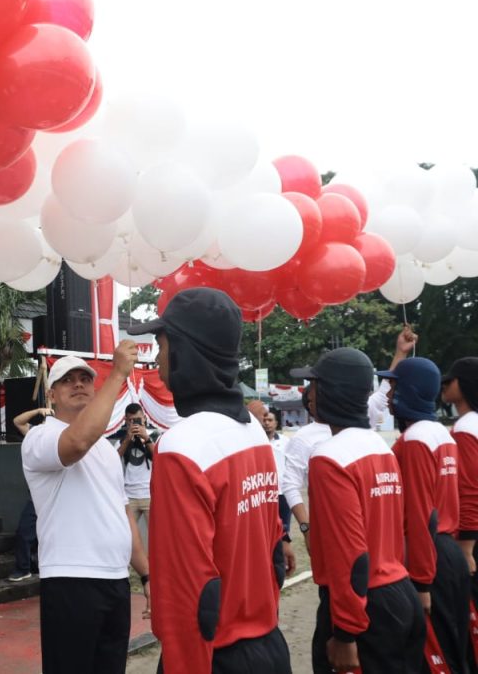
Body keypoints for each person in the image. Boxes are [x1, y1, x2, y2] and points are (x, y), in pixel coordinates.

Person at [129, 287, 291, 674]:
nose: (157, 358)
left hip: (213, 655)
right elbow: (273, 550)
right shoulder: (253, 431)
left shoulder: (181, 447)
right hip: (268, 644)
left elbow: (186, 590)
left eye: (161, 345)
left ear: (185, 352)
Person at [292, 348, 425, 673]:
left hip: (365, 608)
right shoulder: (381, 448)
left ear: (330, 392)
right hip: (399, 591)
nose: (309, 395)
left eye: (314, 385)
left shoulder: (329, 457)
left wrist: (346, 632)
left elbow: (349, 554)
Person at [22, 344, 150, 674]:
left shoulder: (107, 450)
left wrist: (146, 574)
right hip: (70, 580)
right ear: (51, 395)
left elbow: (123, 514)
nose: (78, 384)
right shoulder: (40, 438)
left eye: (85, 378)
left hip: (116, 579)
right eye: (67, 380)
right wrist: (118, 374)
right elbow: (76, 443)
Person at [380, 353, 470, 674]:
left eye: (394, 387)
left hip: (429, 556)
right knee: (457, 648)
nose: (389, 396)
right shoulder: (442, 434)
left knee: (437, 655)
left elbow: (420, 515)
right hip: (447, 551)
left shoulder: (415, 440)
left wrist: (421, 582)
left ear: (410, 391)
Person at [442, 357, 478, 671]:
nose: (444, 385)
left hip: (472, 540)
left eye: (450, 379)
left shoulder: (466, 428)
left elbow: (468, 489)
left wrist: (466, 548)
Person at [281, 390, 333, 554]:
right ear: (311, 404)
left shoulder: (353, 427)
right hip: (327, 528)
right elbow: (290, 485)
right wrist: (306, 529)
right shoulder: (304, 437)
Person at [7, 406, 52, 582]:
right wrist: (38, 411)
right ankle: (24, 568)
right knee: (25, 531)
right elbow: (17, 421)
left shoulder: (62, 437)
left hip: (55, 496)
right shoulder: (35, 435)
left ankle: (36, 566)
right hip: (36, 496)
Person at [249, 401, 293, 548]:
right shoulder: (254, 442)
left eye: (270, 420)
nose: (267, 423)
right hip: (263, 493)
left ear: (276, 423)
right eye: (265, 420)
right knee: (265, 529)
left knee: (284, 529)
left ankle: (282, 553)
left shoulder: (286, 442)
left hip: (282, 492)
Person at [114, 403, 156, 535]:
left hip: (150, 495)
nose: (135, 423)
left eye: (138, 419)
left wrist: (146, 438)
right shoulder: (122, 440)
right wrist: (127, 440)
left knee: (156, 535)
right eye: (131, 421)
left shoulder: (154, 436)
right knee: (126, 534)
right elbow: (113, 460)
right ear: (126, 421)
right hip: (129, 496)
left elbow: (159, 458)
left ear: (144, 418)